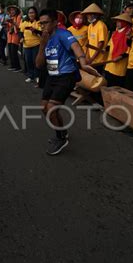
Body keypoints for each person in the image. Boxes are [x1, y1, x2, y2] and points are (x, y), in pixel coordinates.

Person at [35, 9, 100, 155]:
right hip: (52, 76)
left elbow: (76, 47)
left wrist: (83, 63)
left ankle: (61, 139)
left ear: (54, 22)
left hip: (66, 76)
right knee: (44, 107)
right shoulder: (45, 39)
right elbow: (39, 65)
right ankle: (62, 131)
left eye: (45, 23)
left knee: (51, 107)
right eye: (41, 23)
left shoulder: (63, 34)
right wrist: (42, 45)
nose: (43, 26)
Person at [105, 13, 133, 87]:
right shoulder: (115, 33)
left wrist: (119, 57)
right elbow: (109, 45)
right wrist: (104, 50)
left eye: (119, 21)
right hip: (109, 64)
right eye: (117, 21)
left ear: (124, 22)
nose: (117, 23)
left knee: (115, 87)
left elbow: (129, 49)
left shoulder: (129, 33)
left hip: (119, 67)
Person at [81, 3, 108, 73]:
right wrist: (87, 57)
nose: (88, 16)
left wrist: (92, 58)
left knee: (97, 78)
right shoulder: (90, 26)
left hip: (99, 60)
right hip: (91, 59)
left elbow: (101, 43)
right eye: (87, 15)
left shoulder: (101, 25)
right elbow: (89, 42)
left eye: (89, 14)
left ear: (95, 15)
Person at [19, 6, 41, 83]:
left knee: (36, 61)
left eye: (32, 12)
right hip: (26, 45)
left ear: (35, 13)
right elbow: (21, 32)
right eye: (29, 13)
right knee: (28, 61)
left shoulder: (38, 22)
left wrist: (35, 31)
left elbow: (42, 33)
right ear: (27, 14)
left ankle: (37, 76)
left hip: (36, 44)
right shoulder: (24, 23)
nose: (31, 14)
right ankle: (31, 76)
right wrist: (21, 38)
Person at [6, 5, 22, 72]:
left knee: (14, 52)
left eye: (13, 10)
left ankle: (18, 67)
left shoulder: (18, 17)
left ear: (16, 11)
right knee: (10, 52)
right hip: (9, 37)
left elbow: (19, 27)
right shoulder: (10, 17)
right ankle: (13, 66)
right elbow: (8, 28)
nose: (12, 11)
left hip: (15, 37)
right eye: (11, 10)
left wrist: (13, 23)